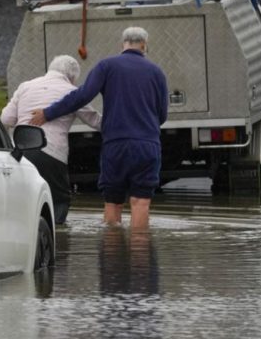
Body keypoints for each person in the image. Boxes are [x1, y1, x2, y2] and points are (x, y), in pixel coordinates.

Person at [30, 27, 168, 232]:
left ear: (123, 44)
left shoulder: (107, 66)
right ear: (144, 45)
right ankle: (141, 257)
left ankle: (113, 256)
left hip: (116, 145)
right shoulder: (156, 72)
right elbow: (162, 115)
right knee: (141, 203)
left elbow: (81, 96)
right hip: (147, 146)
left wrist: (48, 113)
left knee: (113, 202)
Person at [1, 55, 101, 225]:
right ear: (72, 77)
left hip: (20, 152)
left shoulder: (25, 86)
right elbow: (96, 121)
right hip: (51, 153)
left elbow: (6, 119)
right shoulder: (72, 92)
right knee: (58, 199)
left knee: (25, 198)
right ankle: (58, 240)